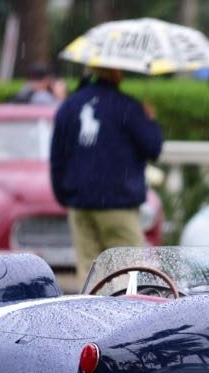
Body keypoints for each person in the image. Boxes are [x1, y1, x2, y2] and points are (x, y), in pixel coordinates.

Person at [49, 66, 163, 276]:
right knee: (127, 271)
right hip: (118, 202)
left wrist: (65, 196)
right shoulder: (127, 107)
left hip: (80, 203)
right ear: (117, 73)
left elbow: (57, 157)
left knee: (90, 272)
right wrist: (150, 120)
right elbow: (153, 147)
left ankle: (91, 309)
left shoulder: (70, 106)